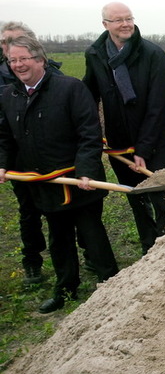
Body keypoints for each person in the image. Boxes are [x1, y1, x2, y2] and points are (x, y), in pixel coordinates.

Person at [0, 36, 119, 313]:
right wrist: (3, 164)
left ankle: (112, 285)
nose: (18, 65)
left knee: (92, 234)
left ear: (40, 59)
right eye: (12, 60)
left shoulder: (70, 89)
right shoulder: (9, 95)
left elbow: (89, 134)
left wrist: (87, 171)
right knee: (58, 236)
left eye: (23, 59)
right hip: (44, 181)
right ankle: (66, 289)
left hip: (77, 179)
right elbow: (4, 137)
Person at [83, 2, 165, 255]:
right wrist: (92, 132)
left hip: (153, 141)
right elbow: (88, 96)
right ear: (105, 25)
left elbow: (158, 107)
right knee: (135, 196)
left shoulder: (153, 55)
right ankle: (149, 247)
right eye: (118, 20)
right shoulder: (95, 55)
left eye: (129, 18)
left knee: (160, 195)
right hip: (119, 141)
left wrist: (144, 148)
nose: (125, 24)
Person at [1, 22, 63, 285]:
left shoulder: (54, 77)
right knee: (28, 212)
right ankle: (32, 262)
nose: (8, 46)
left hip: (52, 160)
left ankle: (74, 260)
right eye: (5, 42)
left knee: (61, 212)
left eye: (17, 41)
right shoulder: (4, 81)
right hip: (19, 161)